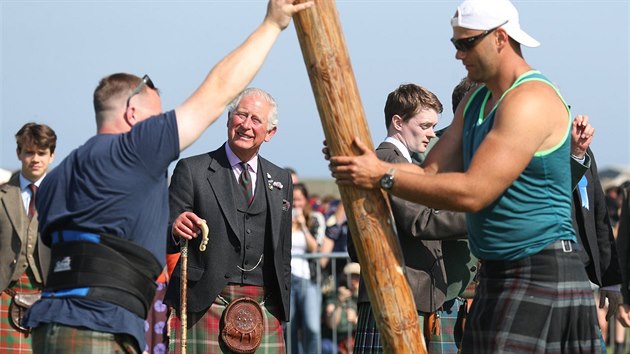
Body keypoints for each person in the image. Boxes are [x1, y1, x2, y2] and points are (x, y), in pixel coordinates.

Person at [23, 1, 313, 353]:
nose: (162, 126)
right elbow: (217, 92)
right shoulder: (135, 148)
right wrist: (273, 24)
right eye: (156, 115)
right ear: (132, 113)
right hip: (98, 327)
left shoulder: (57, 177)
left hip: (49, 325)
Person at [328, 0, 601, 352]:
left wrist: (380, 172)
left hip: (542, 265)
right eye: (455, 44)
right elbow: (428, 175)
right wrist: (361, 164)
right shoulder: (475, 103)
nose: (458, 54)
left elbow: (474, 192)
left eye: (466, 43)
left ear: (500, 38)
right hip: (498, 273)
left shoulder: (530, 99)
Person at [164, 88, 292, 353]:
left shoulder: (281, 179)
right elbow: (164, 232)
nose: (246, 125)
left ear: (270, 133)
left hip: (265, 304)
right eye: (240, 115)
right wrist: (176, 229)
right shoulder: (192, 170)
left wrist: (282, 306)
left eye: (256, 119)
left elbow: (284, 251)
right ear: (228, 119)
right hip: (204, 301)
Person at [347, 83, 470, 354]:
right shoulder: (389, 162)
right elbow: (421, 222)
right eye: (424, 125)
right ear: (398, 122)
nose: (430, 134)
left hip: (404, 293)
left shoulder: (398, 163)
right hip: (398, 295)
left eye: (433, 126)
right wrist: (479, 217)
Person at [569, 115, 623, 352]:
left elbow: (599, 219)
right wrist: (574, 156)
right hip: (549, 271)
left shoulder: (586, 155)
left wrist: (612, 281)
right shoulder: (536, 154)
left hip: (581, 274)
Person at [0, 123, 56, 352]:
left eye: (42, 153)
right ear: (19, 153)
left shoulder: (63, 195)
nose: (35, 159)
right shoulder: (2, 194)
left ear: (51, 156)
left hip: (48, 296)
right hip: (4, 292)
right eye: (29, 152)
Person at [287, 182, 325, 354]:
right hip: (288, 279)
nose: (296, 204)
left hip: (309, 279)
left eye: (299, 200)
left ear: (306, 200)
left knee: (312, 327)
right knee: (290, 328)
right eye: (293, 200)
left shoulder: (314, 219)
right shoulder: (283, 219)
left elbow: (315, 248)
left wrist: (303, 226)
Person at [322, 262, 360, 354]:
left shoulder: (363, 298)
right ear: (345, 277)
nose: (354, 281)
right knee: (327, 348)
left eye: (357, 277)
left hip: (355, 339)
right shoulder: (333, 296)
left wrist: (355, 319)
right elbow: (332, 324)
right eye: (351, 276)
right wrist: (339, 302)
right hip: (334, 340)